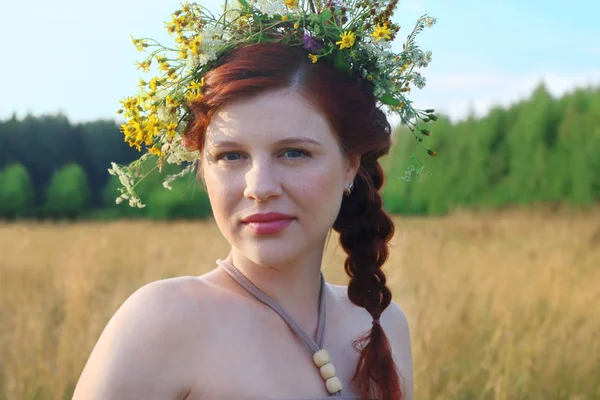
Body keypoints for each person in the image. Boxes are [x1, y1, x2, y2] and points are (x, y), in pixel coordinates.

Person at [74, 1, 436, 399]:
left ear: (350, 165)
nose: (259, 186)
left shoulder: (382, 326)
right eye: (231, 156)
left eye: (294, 152)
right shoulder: (161, 323)